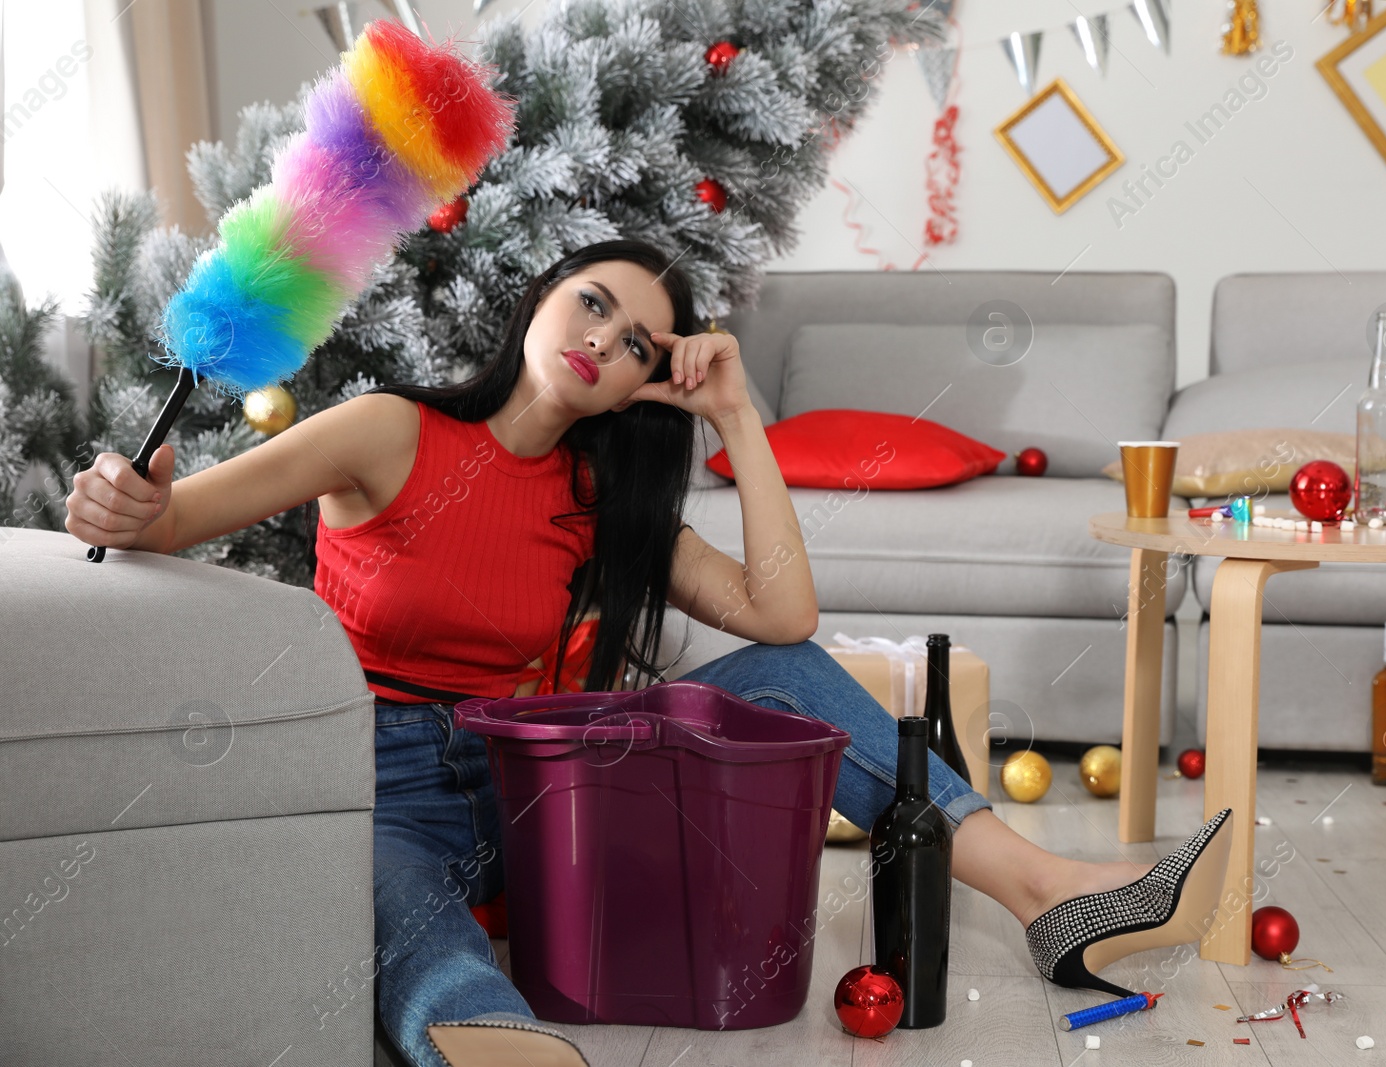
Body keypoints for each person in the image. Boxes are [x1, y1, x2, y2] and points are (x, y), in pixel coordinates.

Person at [65, 239, 1231, 1067]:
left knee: (783, 683)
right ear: (539, 299)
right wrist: (126, 501)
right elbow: (168, 518)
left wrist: (735, 419)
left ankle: (1049, 896)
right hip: (382, 776)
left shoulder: (605, 501)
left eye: (634, 343)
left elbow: (781, 621)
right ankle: (491, 1038)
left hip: (548, 783)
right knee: (391, 892)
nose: (599, 342)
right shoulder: (389, 428)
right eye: (589, 304)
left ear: (641, 384)